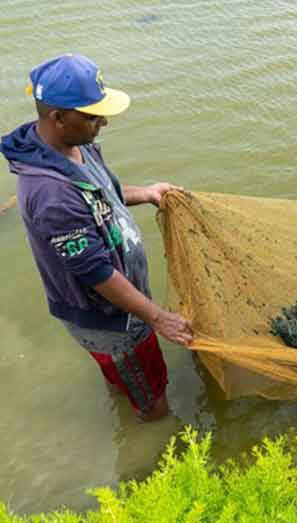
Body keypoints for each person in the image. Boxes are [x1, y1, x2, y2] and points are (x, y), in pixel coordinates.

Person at [1, 53, 193, 421]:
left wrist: (147, 192)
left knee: (127, 375)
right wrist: (158, 317)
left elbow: (103, 194)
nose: (103, 122)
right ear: (58, 117)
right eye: (92, 115)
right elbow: (96, 273)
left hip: (119, 309)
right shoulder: (51, 195)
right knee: (153, 399)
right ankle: (152, 439)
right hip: (108, 318)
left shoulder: (76, 146)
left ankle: (123, 389)